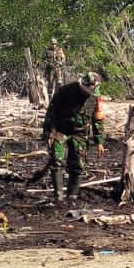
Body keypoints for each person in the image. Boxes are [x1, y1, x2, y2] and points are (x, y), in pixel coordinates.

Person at [41, 72, 105, 204]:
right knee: (57, 160)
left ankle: (72, 197)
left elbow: (98, 120)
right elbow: (51, 112)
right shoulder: (65, 91)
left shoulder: (95, 97)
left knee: (78, 164)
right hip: (61, 130)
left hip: (80, 132)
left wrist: (99, 141)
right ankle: (58, 197)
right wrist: (50, 131)